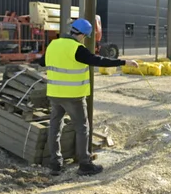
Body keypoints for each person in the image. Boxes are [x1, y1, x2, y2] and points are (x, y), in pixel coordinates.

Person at [39, 18, 138, 176]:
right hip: (73, 97)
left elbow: (41, 62)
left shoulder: (53, 44)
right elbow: (98, 60)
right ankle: (85, 164)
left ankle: (55, 164)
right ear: (83, 35)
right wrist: (124, 62)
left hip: (54, 94)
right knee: (82, 128)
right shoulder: (77, 49)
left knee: (55, 128)